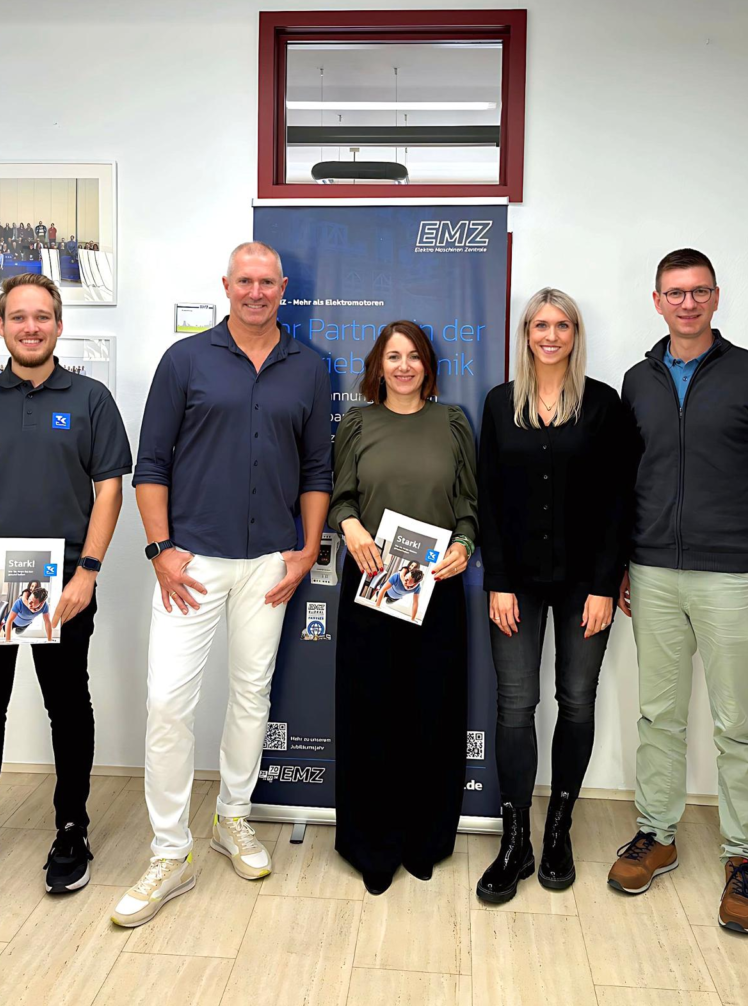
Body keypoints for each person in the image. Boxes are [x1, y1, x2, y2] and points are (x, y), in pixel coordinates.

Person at [111, 241, 331, 928]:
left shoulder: (309, 367)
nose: (256, 292)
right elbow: (151, 463)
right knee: (168, 703)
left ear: (283, 287)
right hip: (191, 564)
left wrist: (306, 550)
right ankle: (169, 853)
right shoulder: (185, 360)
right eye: (245, 281)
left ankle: (231, 818)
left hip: (270, 563)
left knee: (250, 695)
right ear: (227, 285)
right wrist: (160, 550)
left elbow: (317, 470)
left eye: (267, 282)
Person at [607, 249, 748, 936]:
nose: (687, 303)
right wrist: (623, 564)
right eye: (675, 293)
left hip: (733, 576)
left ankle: (743, 858)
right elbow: (627, 482)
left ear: (716, 297)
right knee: (658, 716)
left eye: (698, 292)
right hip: (653, 573)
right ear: (656, 300)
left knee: (736, 724)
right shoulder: (637, 381)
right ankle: (656, 834)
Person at [0, 272, 132, 905]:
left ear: (59, 325)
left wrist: (87, 572)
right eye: (19, 317)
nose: (31, 327)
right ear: (2, 326)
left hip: (62, 588)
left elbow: (109, 489)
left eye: (43, 316)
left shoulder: (92, 399)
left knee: (67, 707)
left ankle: (72, 829)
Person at [474, 288, 630, 904]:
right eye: (540, 324)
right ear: (526, 334)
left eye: (562, 325)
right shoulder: (499, 403)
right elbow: (488, 497)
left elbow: (617, 501)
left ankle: (558, 828)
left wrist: (604, 585)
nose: (551, 335)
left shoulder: (603, 404)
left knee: (576, 701)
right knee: (515, 706)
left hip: (584, 586)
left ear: (575, 335)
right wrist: (498, 581)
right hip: (514, 583)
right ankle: (515, 840)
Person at [329, 320, 478, 895]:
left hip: (436, 588)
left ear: (427, 366)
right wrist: (350, 527)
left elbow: (469, 505)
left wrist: (465, 544)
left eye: (414, 356)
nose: (404, 366)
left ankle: (425, 841)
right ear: (378, 365)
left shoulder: (453, 422)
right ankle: (372, 845)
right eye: (393, 356)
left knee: (431, 715)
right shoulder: (358, 422)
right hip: (372, 582)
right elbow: (340, 496)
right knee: (370, 714)